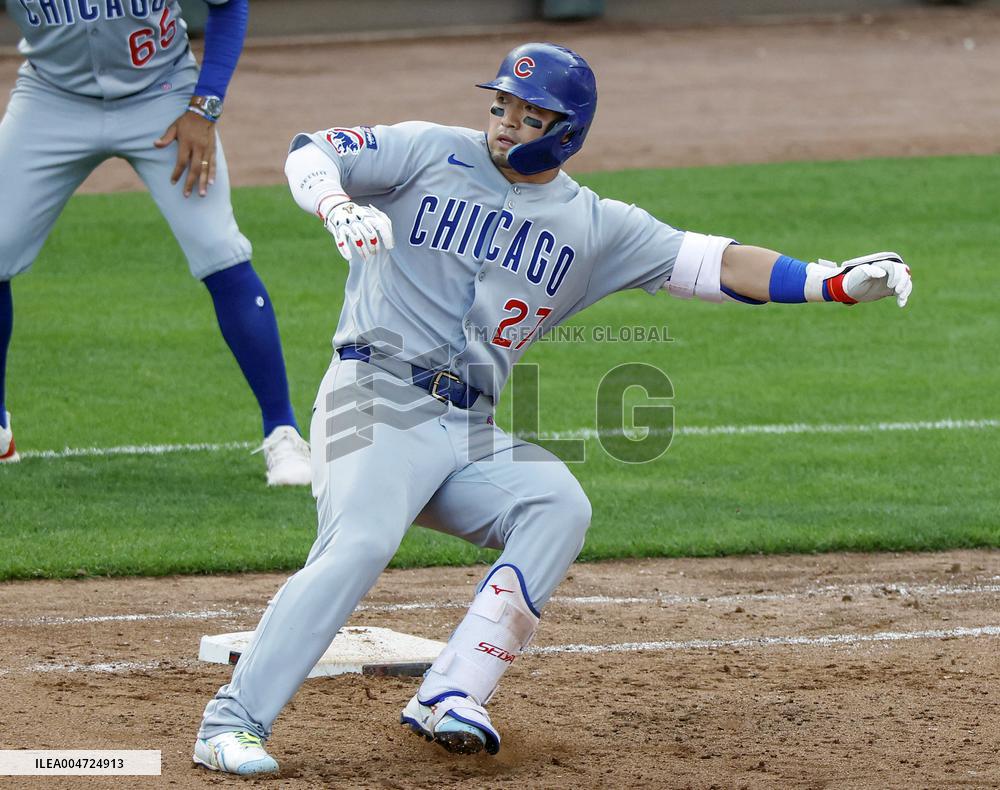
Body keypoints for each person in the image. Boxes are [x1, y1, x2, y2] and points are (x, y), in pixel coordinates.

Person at [192, 42, 912, 775]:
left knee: (555, 503)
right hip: (371, 395)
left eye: (531, 116)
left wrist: (833, 282)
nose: (506, 124)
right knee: (362, 544)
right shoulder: (426, 151)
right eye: (501, 105)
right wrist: (335, 203)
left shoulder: (593, 226)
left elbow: (718, 262)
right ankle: (231, 722)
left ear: (568, 131)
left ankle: (450, 693)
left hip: (464, 427)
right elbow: (310, 150)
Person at [0, 0, 310, 485]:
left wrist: (204, 108)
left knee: (219, 250)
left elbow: (228, 6)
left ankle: (283, 432)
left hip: (161, 96)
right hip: (51, 98)